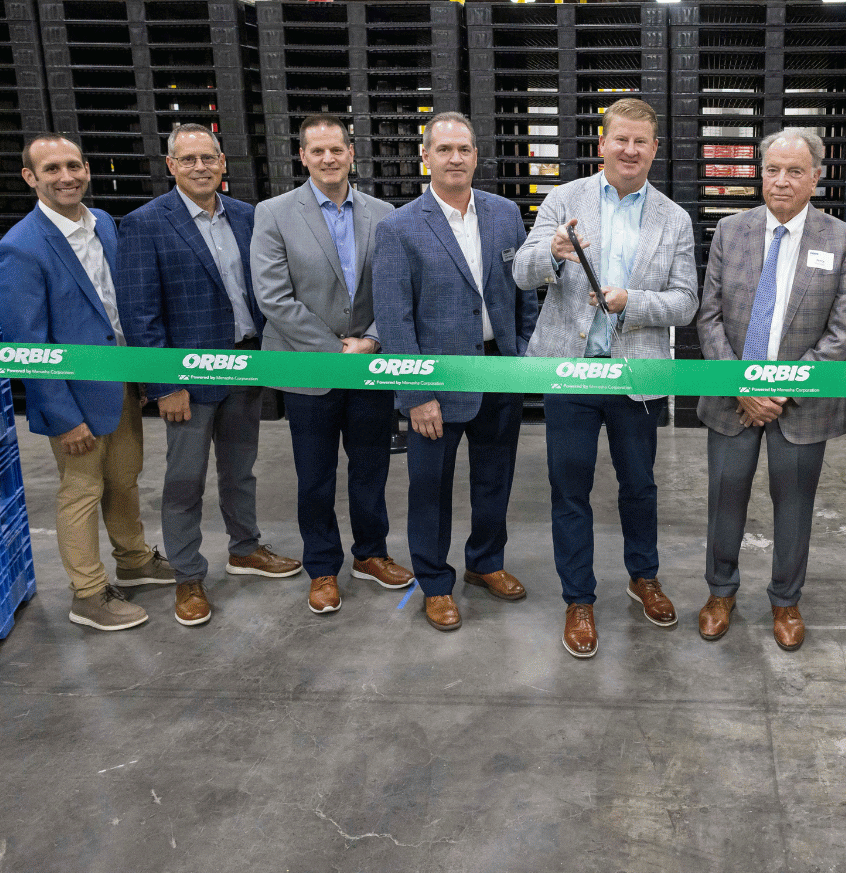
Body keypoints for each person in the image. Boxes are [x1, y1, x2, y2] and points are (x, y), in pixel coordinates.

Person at [513, 97, 698, 659]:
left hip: (636, 377)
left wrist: (631, 302)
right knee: (570, 488)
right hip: (570, 374)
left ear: (655, 149)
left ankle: (644, 577)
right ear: (602, 144)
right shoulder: (564, 200)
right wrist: (554, 252)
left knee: (638, 487)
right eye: (621, 139)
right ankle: (579, 598)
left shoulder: (674, 217)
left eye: (641, 142)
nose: (630, 150)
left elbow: (686, 302)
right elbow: (521, 273)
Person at [116, 124, 301, 628]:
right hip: (187, 380)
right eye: (188, 159)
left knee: (240, 469)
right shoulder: (143, 224)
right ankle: (187, 575)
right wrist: (163, 385)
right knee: (184, 480)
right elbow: (140, 315)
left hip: (245, 366)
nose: (200, 167)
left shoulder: (248, 216)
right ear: (171, 165)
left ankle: (244, 549)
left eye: (209, 158)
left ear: (223, 164)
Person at [0, 134, 173, 632]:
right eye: (51, 169)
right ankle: (88, 593)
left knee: (123, 478)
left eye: (73, 166)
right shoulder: (20, 250)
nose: (65, 177)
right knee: (82, 490)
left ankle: (133, 559)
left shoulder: (105, 226)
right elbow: (27, 348)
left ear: (88, 168)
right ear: (30, 178)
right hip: (73, 395)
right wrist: (65, 419)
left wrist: (136, 376)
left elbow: (117, 306)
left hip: (118, 379)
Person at [693, 128, 846, 651]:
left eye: (795, 171)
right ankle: (721, 592)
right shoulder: (730, 230)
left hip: (800, 404)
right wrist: (743, 385)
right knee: (725, 498)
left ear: (817, 176)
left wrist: (780, 392)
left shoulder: (842, 239)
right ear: (759, 174)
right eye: (772, 170)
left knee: (793, 505)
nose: (781, 182)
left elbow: (841, 332)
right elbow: (709, 316)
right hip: (733, 399)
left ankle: (786, 600)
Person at [371, 112, 539, 633]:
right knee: (430, 487)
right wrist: (416, 392)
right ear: (426, 157)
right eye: (443, 149)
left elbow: (523, 293)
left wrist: (525, 357)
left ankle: (485, 561)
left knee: (495, 478)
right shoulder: (399, 227)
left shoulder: (505, 213)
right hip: (436, 382)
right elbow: (394, 317)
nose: (455, 158)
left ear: (475, 154)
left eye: (463, 149)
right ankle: (435, 583)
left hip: (498, 372)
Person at [250, 113, 413, 616]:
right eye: (316, 151)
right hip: (308, 366)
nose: (327, 159)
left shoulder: (384, 213)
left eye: (336, 150)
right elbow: (273, 297)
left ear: (351, 154)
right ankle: (323, 567)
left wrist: (372, 340)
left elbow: (396, 290)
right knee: (314, 473)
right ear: (302, 156)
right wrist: (334, 349)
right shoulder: (274, 213)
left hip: (369, 364)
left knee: (371, 466)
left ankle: (371, 554)